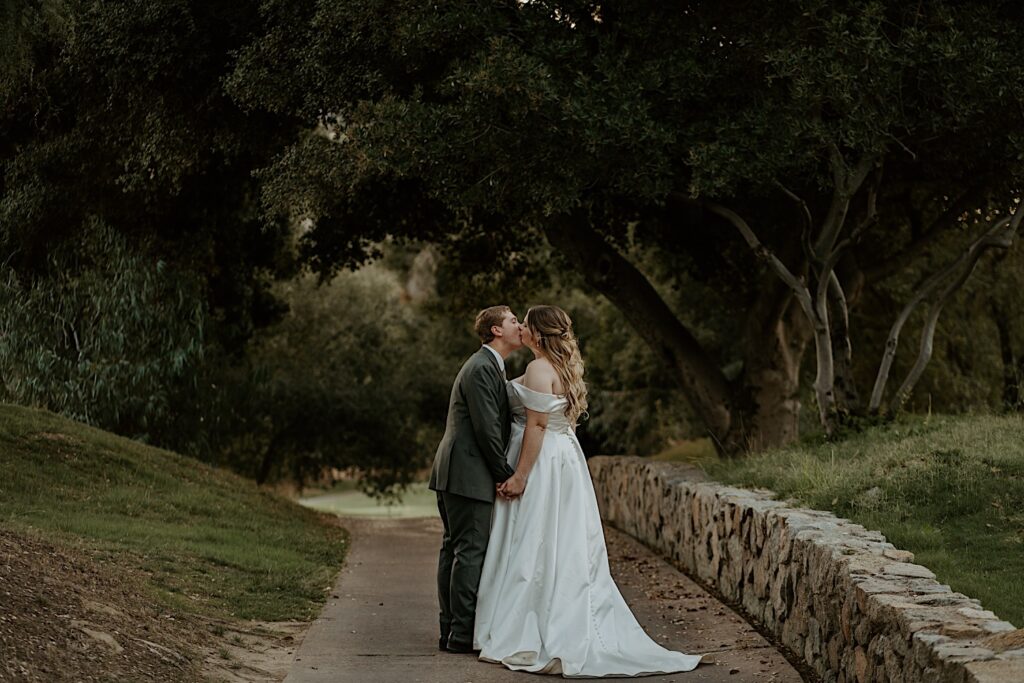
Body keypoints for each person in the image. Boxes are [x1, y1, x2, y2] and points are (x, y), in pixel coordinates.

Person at [474, 305, 703, 677]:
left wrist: (520, 476)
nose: (522, 328)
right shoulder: (564, 366)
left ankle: (530, 624)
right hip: (566, 459)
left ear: (538, 332)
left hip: (543, 460)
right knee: (562, 540)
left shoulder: (537, 368)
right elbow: (563, 426)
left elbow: (537, 427)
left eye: (526, 324)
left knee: (535, 539)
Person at [428, 305, 525, 653]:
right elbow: (487, 429)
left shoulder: (489, 366)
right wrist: (506, 474)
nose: (520, 325)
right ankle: (461, 635)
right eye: (514, 320)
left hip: (457, 471)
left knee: (455, 547)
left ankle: (450, 630)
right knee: (468, 550)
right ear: (496, 330)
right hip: (467, 472)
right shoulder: (483, 367)